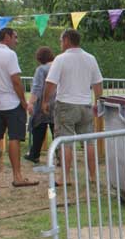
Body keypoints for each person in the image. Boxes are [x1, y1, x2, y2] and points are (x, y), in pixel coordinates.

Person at [42, 29, 103, 185]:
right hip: (85, 105)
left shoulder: (60, 59)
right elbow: (98, 83)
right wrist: (97, 102)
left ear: (67, 40)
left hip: (66, 105)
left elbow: (51, 83)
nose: (60, 44)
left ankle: (65, 177)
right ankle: (93, 176)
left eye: (61, 41)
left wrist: (45, 101)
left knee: (65, 142)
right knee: (89, 142)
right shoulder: (91, 58)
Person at [0, 28, 38, 187]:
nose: (16, 41)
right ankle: (17, 176)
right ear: (7, 37)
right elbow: (16, 81)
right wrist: (23, 101)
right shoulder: (10, 54)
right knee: (14, 138)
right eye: (15, 37)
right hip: (12, 103)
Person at [24, 47, 56, 164]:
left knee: (38, 129)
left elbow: (37, 88)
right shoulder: (58, 67)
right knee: (56, 130)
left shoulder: (41, 70)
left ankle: (34, 154)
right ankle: (61, 156)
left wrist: (31, 103)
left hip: (43, 104)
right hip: (57, 103)